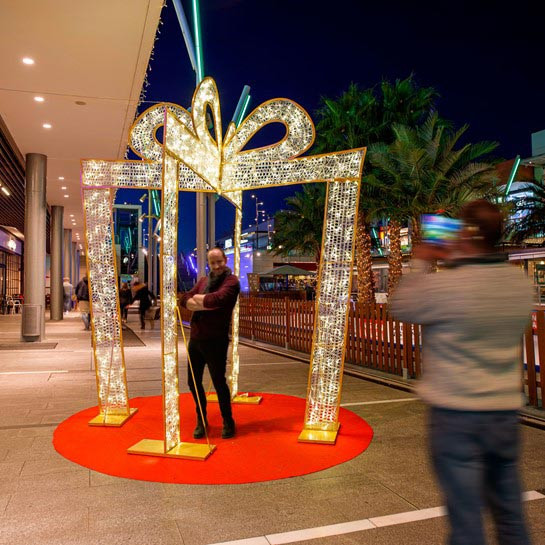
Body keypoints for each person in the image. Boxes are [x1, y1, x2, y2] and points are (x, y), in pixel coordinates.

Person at [389, 200, 533, 545]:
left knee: (467, 520)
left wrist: (423, 260)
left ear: (466, 233)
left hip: (456, 415)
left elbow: (402, 307)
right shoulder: (519, 283)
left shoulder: (448, 286)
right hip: (504, 413)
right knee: (510, 514)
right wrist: (461, 258)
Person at [179, 248, 240, 440]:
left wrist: (198, 301)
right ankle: (201, 419)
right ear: (208, 263)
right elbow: (184, 298)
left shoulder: (232, 281)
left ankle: (228, 420)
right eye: (212, 263)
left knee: (219, 382)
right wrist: (202, 303)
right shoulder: (203, 281)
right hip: (196, 339)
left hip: (216, 340)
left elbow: (219, 299)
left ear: (225, 260)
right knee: (193, 382)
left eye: (219, 261)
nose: (216, 266)